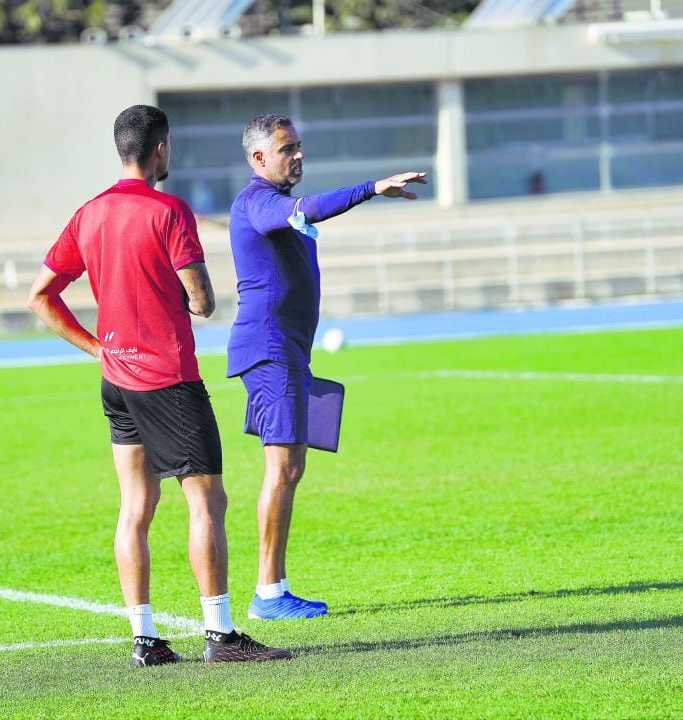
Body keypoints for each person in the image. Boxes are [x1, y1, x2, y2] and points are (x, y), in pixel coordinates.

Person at [28, 105, 290, 665]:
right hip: (168, 381)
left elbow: (40, 296)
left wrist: (98, 348)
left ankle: (145, 640)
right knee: (206, 502)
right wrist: (196, 297)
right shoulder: (170, 211)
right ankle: (219, 634)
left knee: (135, 507)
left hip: (117, 380)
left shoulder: (89, 213)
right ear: (161, 149)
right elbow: (202, 300)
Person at [227, 113, 427, 620]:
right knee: (282, 467)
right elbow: (308, 209)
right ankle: (268, 593)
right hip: (270, 351)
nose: (297, 155)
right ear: (258, 158)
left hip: (287, 352)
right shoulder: (259, 202)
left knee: (291, 466)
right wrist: (371, 187)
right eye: (286, 148)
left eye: (299, 145)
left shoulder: (271, 206)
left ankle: (272, 588)